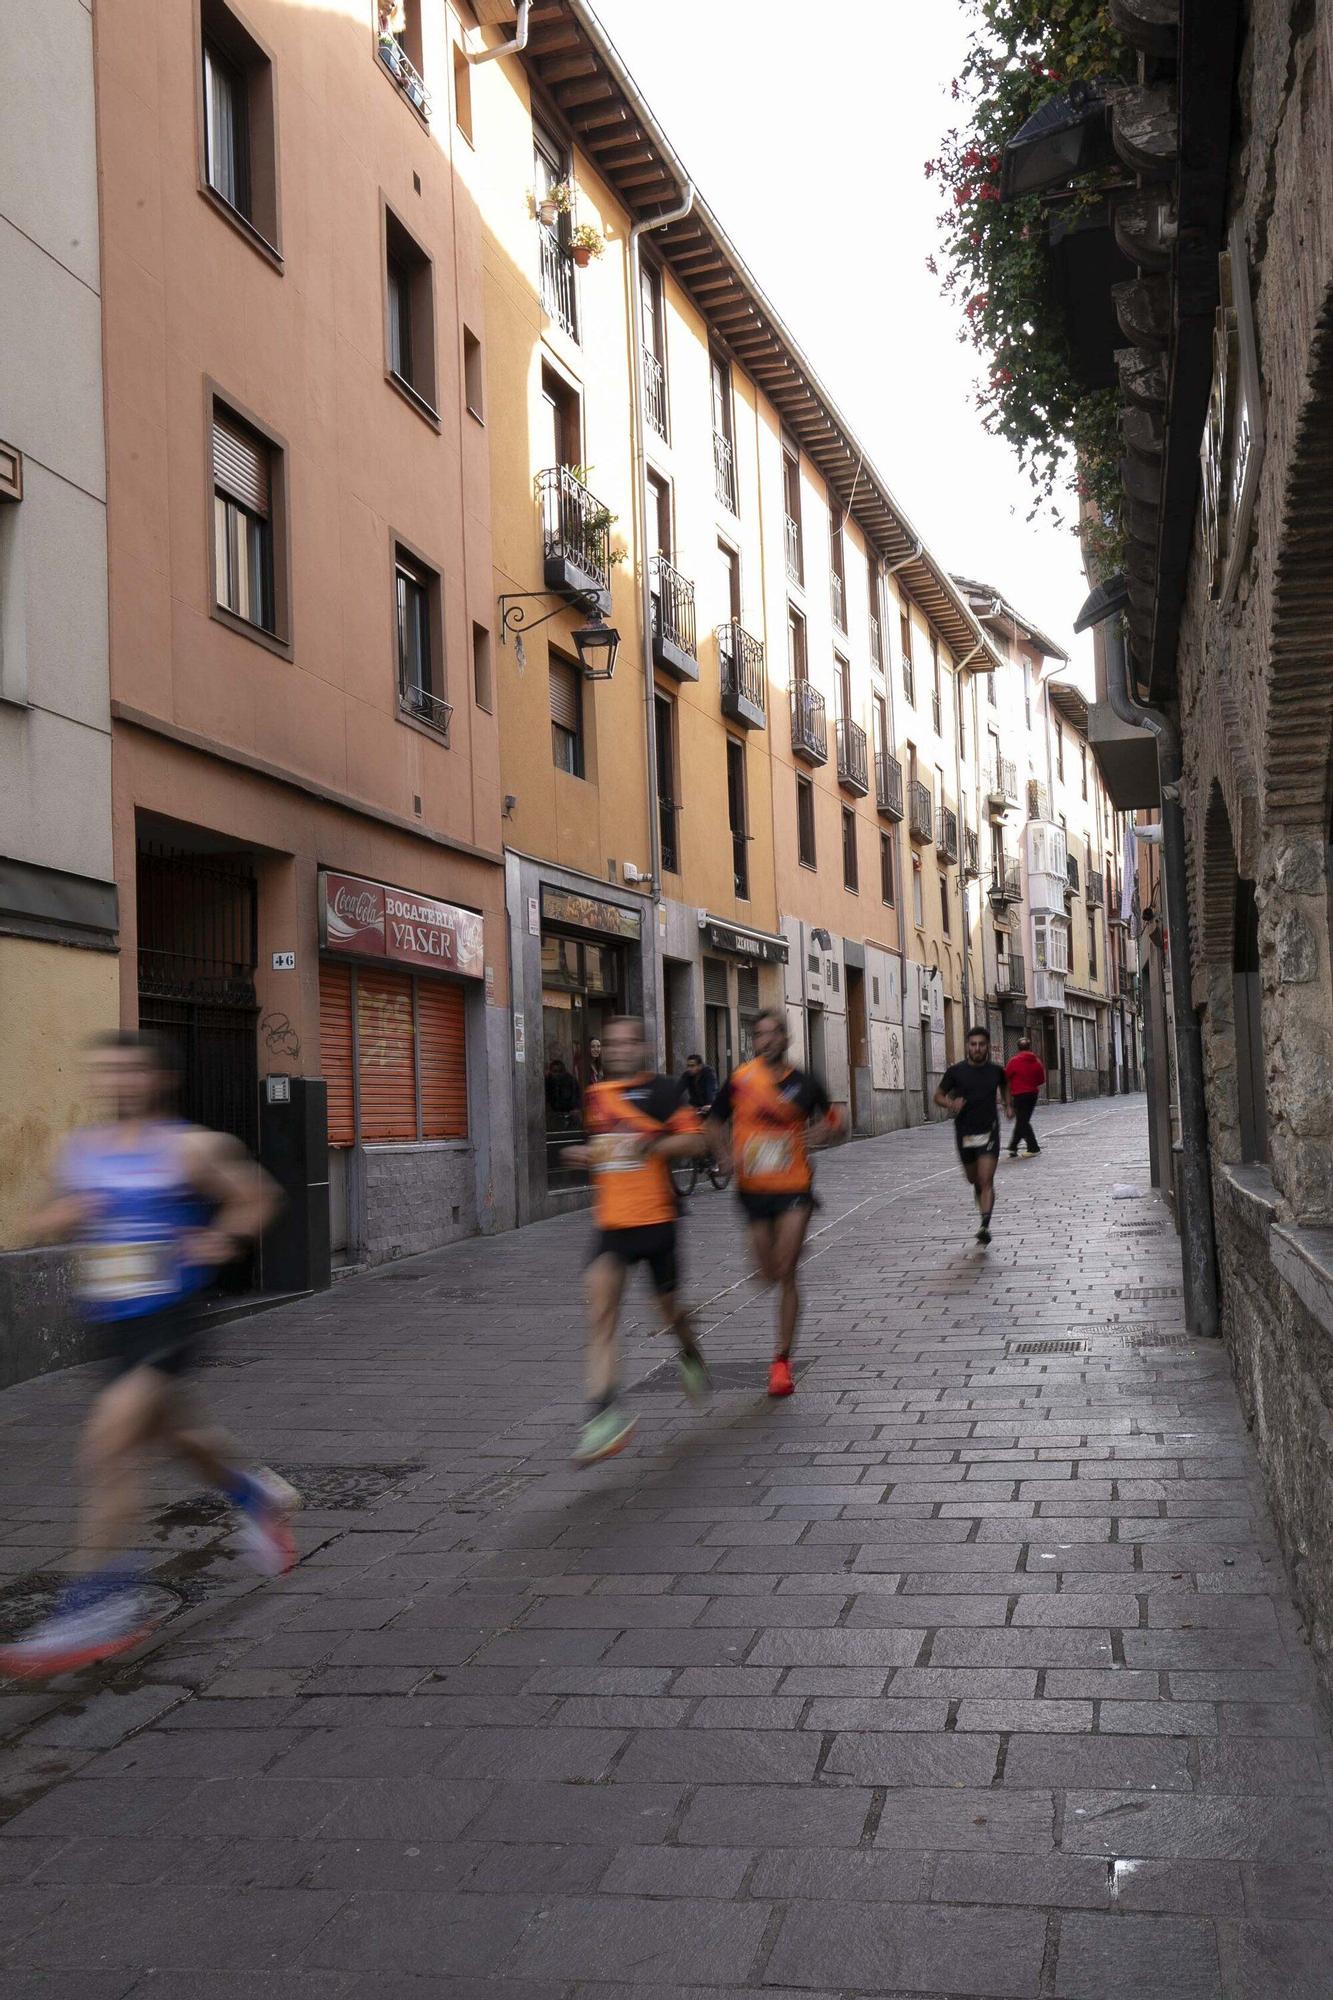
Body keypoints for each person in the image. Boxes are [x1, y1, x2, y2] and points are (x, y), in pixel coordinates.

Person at [0, 1032, 296, 1680]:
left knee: (108, 1443)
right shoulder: (80, 1150)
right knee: (183, 1437)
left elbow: (257, 1196)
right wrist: (61, 1215)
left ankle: (99, 1602)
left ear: (157, 1080)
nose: (117, 1082)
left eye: (129, 1072)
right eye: (106, 1071)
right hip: (109, 1320)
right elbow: (42, 1218)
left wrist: (218, 1239)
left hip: (170, 1317)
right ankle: (253, 1495)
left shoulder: (189, 1147)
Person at [561, 1015, 710, 1466]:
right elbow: (601, 1152)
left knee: (669, 1312)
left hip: (657, 1222)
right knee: (601, 1315)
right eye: (612, 1043)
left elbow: (696, 1143)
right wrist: (583, 1153)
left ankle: (690, 1352)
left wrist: (654, 1146)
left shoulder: (663, 1092)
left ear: (643, 1048)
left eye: (629, 1043)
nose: (620, 1050)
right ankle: (604, 1417)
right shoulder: (595, 1097)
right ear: (602, 1050)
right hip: (612, 1226)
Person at [706, 1007, 841, 1398]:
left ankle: (781, 1361)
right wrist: (723, 1156)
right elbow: (712, 1124)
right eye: (759, 1036)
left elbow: (836, 1121)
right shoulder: (740, 1081)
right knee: (767, 1271)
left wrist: (820, 1132)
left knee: (786, 1272)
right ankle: (787, 1247)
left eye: (772, 1034)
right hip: (752, 1190)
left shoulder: (805, 1082)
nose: (765, 1041)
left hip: (795, 1186)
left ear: (786, 1038)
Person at [936, 1026, 1011, 1245]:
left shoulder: (996, 1071)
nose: (977, 1048)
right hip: (965, 1133)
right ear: (968, 1046)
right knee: (974, 1179)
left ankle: (984, 1225)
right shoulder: (955, 1072)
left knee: (986, 1179)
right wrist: (951, 1103)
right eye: (973, 1044)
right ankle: (979, 1192)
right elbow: (938, 1096)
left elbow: (1005, 1085)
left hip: (989, 1132)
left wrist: (1008, 1105)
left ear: (987, 1047)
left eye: (981, 1044)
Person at [1004, 1035, 1046, 1156]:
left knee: (1022, 1121)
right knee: (1023, 1120)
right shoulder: (1037, 1061)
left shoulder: (1014, 1061)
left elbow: (1006, 1077)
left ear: (1018, 1048)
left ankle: (1034, 1148)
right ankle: (1013, 1147)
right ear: (1029, 1047)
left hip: (1019, 1095)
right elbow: (1041, 1080)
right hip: (1032, 1095)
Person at [544, 1057, 580, 1129]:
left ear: (564, 1072)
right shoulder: (548, 1082)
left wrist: (575, 1109)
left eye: (559, 1071)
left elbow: (576, 1097)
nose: (557, 1074)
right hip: (553, 1115)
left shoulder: (570, 1081)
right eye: (555, 1071)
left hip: (569, 1113)